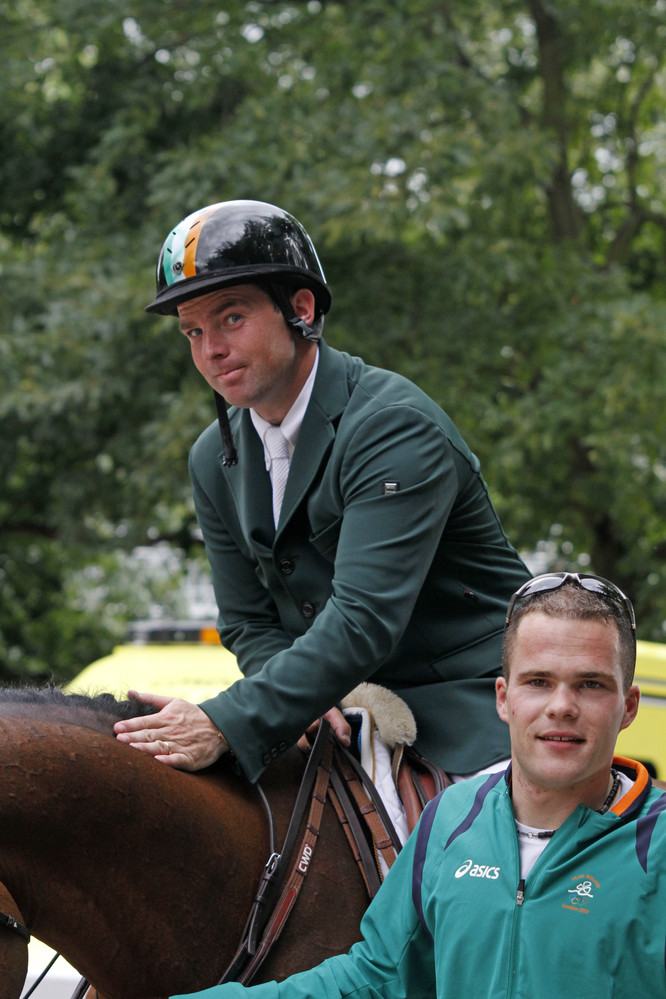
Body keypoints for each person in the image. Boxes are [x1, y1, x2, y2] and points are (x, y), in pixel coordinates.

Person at [114, 199, 531, 783]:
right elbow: (246, 622)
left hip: (474, 709)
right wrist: (302, 703)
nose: (210, 349)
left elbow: (363, 618)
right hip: (337, 708)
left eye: (231, 318)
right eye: (193, 331)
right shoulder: (213, 456)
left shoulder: (394, 426)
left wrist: (228, 719)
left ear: (301, 308)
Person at [170, 571, 666, 999]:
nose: (561, 705)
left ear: (628, 706)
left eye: (591, 684)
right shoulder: (450, 818)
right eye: (538, 681)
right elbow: (377, 977)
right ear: (503, 698)